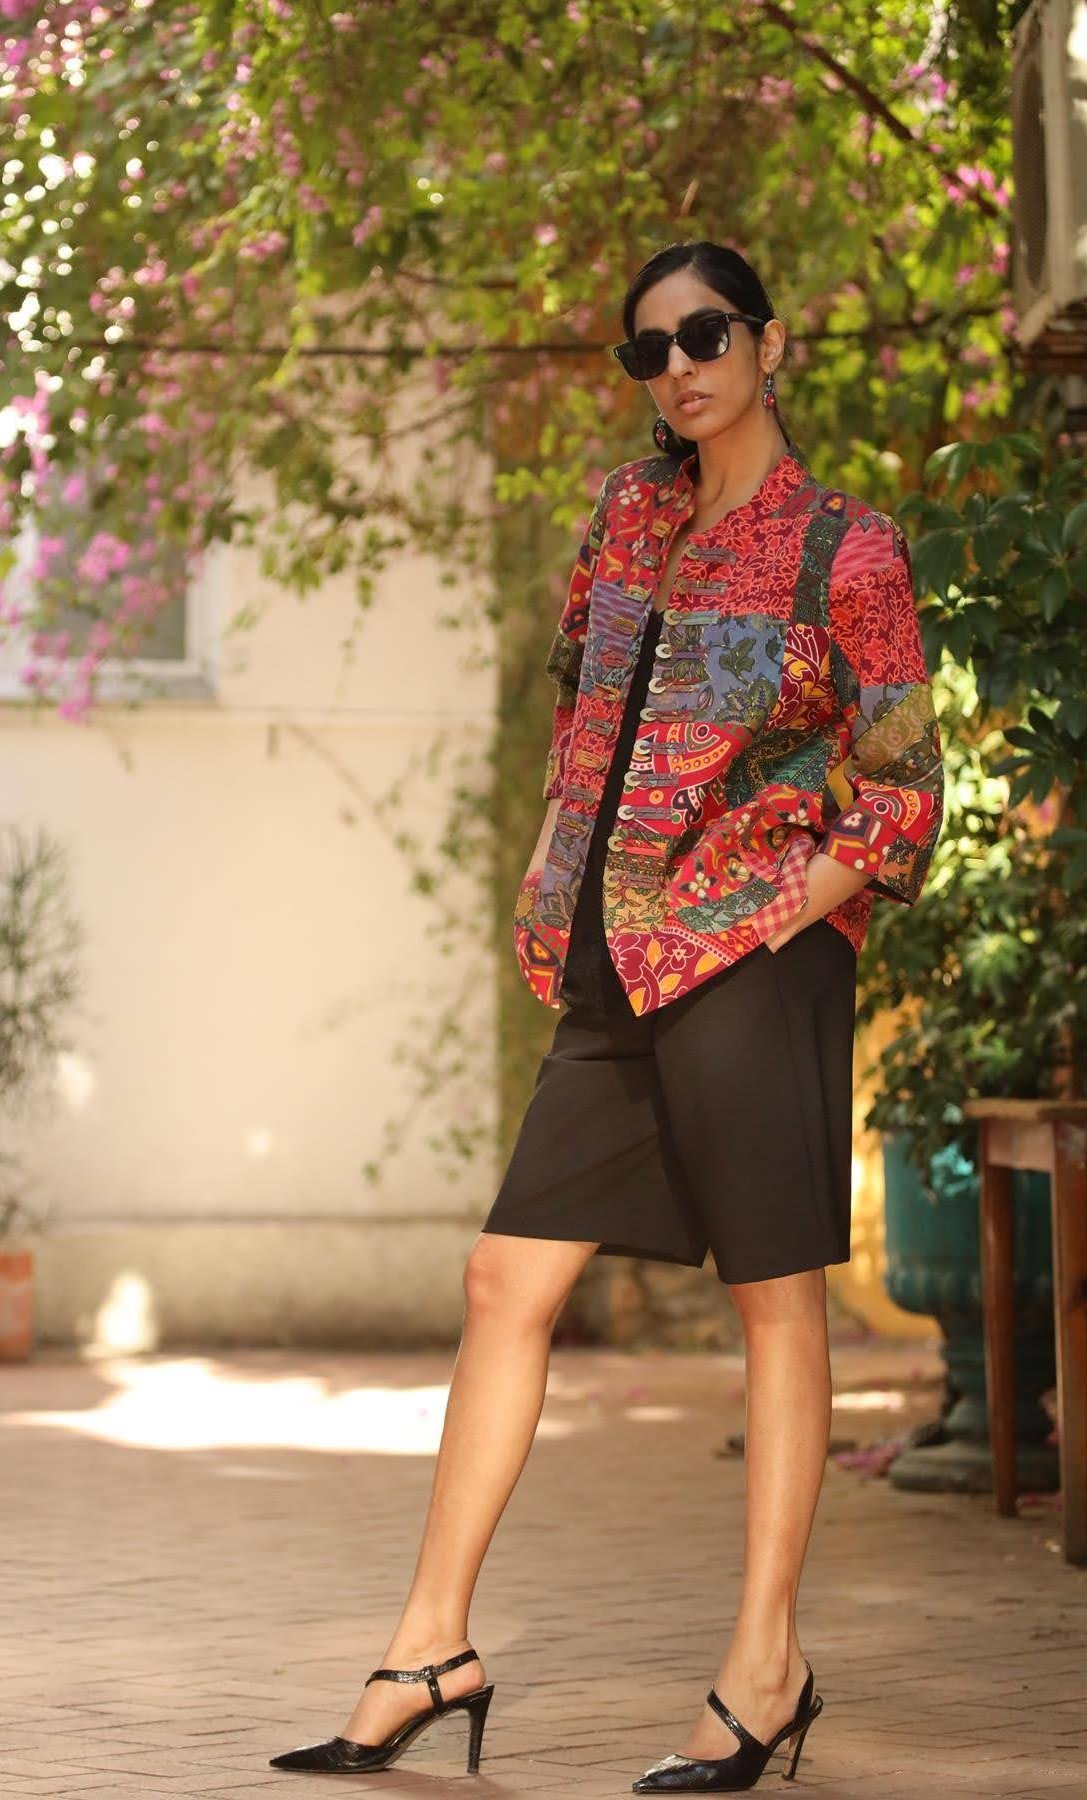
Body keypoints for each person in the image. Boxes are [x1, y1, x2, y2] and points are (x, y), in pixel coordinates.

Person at [268, 241, 945, 1792]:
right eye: (651, 349)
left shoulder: (846, 550)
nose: (680, 368)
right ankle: (430, 1647)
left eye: (706, 336)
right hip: (609, 954)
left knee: (774, 1299)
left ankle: (765, 1672)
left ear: (768, 343)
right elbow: (586, 706)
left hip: (753, 958)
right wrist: (546, 864)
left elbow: (906, 784)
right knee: (504, 1278)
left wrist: (784, 906)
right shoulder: (627, 519)